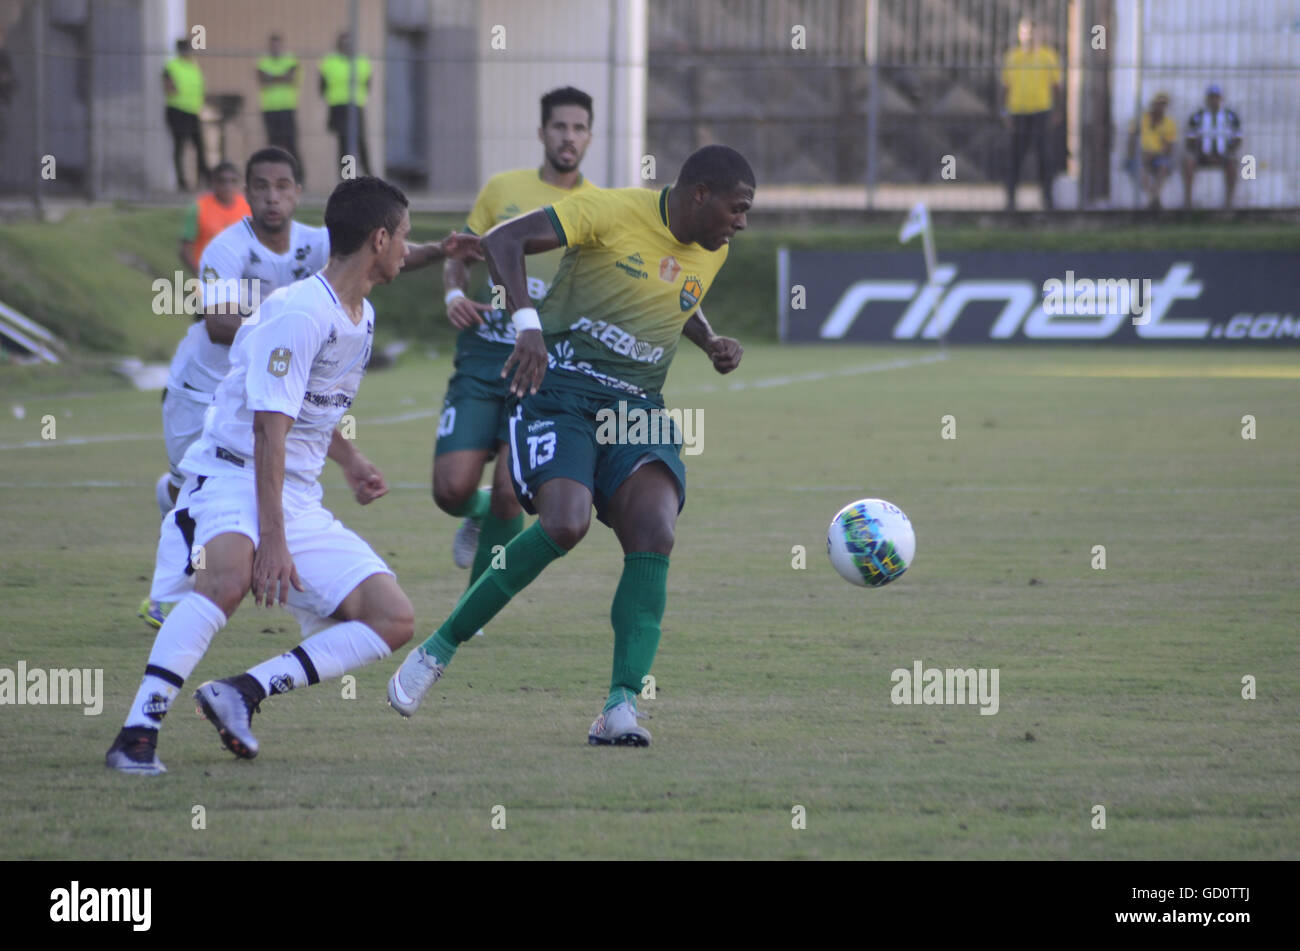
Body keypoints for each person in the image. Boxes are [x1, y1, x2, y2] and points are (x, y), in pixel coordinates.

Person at [107, 176, 480, 775]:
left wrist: (350, 459)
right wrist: (272, 541)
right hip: (232, 478)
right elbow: (267, 430)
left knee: (392, 617)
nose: (407, 249)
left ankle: (241, 692)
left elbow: (306, 412)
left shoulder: (358, 317)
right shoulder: (301, 313)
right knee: (227, 578)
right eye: (405, 237)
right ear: (380, 240)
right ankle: (138, 732)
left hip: (294, 492)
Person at [387, 145, 752, 747]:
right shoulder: (606, 210)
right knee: (565, 524)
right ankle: (439, 647)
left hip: (635, 406)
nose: (741, 223)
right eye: (737, 209)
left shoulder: (712, 251)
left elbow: (677, 296)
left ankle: (620, 707)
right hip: (558, 390)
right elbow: (504, 239)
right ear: (699, 196)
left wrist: (710, 339)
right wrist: (528, 327)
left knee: (656, 529)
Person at [143, 147, 471, 629]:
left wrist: (442, 250)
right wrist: (286, 332)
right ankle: (171, 590)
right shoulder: (225, 249)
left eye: (282, 186)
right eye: (260, 186)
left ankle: (186, 585)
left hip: (269, 382)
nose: (271, 197)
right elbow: (216, 324)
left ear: (298, 192)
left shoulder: (317, 241)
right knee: (195, 483)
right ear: (246, 193)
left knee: (214, 481)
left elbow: (383, 250)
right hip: (205, 388)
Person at [435, 87, 598, 626]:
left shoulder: (596, 207)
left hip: (542, 365)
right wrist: (455, 294)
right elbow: (458, 253)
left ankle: (471, 613)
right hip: (485, 352)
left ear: (590, 136)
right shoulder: (502, 189)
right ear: (542, 133)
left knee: (511, 490)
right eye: (559, 127)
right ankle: (474, 513)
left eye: (578, 128)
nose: (568, 137)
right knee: (451, 489)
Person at [1001, 17, 1061, 211]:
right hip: (1018, 112)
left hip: (1041, 112)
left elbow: (1056, 86)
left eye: (1032, 32)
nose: (1028, 36)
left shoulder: (1048, 56)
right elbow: (1005, 86)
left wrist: (1057, 110)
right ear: (1020, 34)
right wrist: (1004, 111)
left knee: (1045, 157)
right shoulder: (1012, 57)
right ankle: (1010, 201)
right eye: (1025, 32)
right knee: (1014, 158)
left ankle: (1047, 200)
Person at [178, 161, 251, 275]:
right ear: (213, 183)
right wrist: (201, 275)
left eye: (233, 181)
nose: (228, 187)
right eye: (223, 181)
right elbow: (184, 251)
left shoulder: (248, 208)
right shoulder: (198, 208)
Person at [1181, 84, 1242, 209]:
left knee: (1233, 163)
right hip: (1202, 155)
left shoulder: (1231, 116)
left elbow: (1238, 138)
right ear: (1207, 99)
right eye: (1211, 97)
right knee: (1188, 162)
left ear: (1221, 98)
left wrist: (1226, 153)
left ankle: (1229, 202)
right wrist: (1202, 154)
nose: (1214, 100)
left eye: (1217, 97)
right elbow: (1190, 140)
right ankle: (1188, 202)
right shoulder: (1197, 116)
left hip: (1223, 155)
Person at [319, 33, 372, 177]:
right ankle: (346, 176)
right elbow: (322, 84)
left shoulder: (361, 60)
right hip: (338, 106)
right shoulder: (330, 61)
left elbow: (368, 83)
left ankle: (368, 175)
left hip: (355, 105)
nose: (346, 46)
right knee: (343, 142)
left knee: (360, 141)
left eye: (349, 43)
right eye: (344, 43)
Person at [162, 37, 210, 191]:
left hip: (193, 111)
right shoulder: (172, 66)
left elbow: (200, 87)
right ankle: (181, 181)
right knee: (180, 146)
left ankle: (203, 179)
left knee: (199, 146)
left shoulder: (194, 66)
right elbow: (168, 87)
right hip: (177, 110)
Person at [1125, 93, 1177, 210]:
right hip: (1141, 156)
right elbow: (1131, 141)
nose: (1160, 107)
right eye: (1159, 104)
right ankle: (1154, 199)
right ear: (1153, 105)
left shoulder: (1169, 123)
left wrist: (1153, 155)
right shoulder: (1140, 120)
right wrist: (1138, 155)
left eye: (1163, 105)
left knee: (1163, 166)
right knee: (1140, 168)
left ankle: (1152, 199)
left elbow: (1169, 148)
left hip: (1158, 157)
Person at [257, 34, 300, 163]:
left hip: (287, 107)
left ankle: (297, 173)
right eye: (273, 45)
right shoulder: (263, 61)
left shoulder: (291, 61)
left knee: (291, 143)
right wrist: (283, 76)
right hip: (269, 108)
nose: (275, 48)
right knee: (273, 143)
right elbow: (263, 80)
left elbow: (291, 79)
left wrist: (272, 77)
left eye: (277, 45)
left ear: (282, 46)